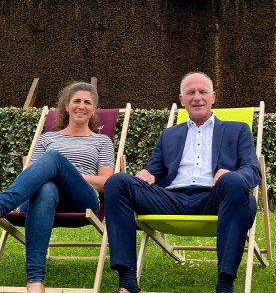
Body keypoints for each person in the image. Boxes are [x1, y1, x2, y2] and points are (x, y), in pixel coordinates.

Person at [104, 72, 260, 293]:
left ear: (213, 97)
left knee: (234, 181)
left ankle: (225, 285)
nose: (197, 97)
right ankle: (127, 283)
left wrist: (230, 175)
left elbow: (252, 171)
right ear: (182, 99)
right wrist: (146, 174)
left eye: (203, 92)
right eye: (191, 93)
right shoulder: (169, 135)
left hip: (214, 198)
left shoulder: (236, 130)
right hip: (172, 198)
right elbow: (154, 170)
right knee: (118, 181)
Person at [0, 82, 115, 293]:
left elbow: (106, 183)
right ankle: (35, 282)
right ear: (66, 106)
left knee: (54, 159)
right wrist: (55, 173)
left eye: (87, 102)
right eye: (76, 101)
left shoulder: (102, 141)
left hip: (82, 200)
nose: (81, 106)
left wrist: (67, 173)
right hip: (43, 199)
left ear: (94, 109)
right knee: (46, 187)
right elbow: (30, 175)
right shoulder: (47, 138)